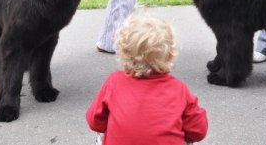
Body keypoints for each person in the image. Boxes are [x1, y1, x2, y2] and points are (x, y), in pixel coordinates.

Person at [86, 12, 208, 145]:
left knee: (101, 136)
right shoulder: (179, 89)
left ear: (123, 53)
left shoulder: (114, 82)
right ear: (170, 55)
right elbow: (198, 131)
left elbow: (94, 121)